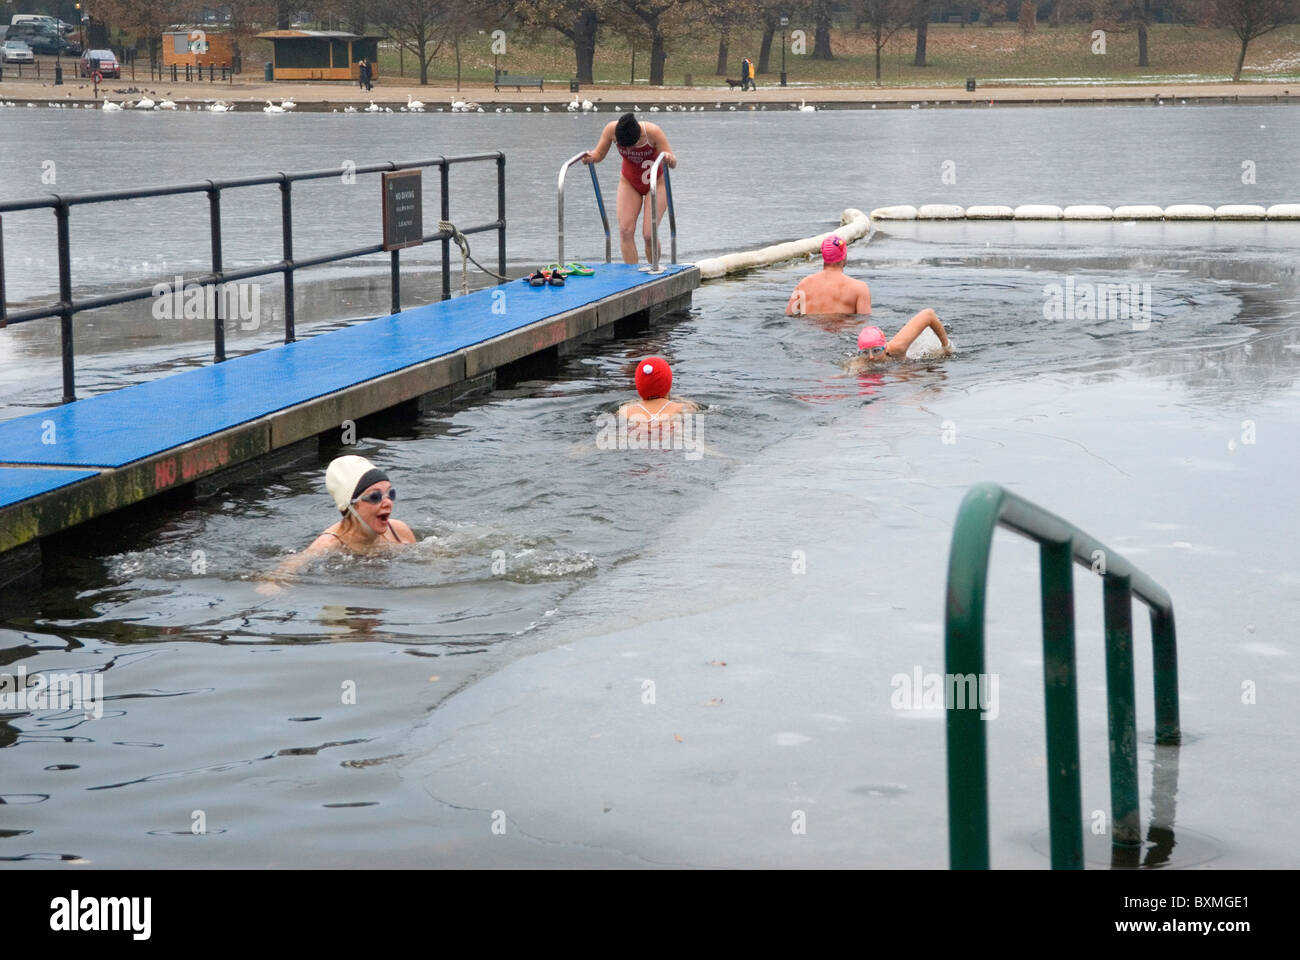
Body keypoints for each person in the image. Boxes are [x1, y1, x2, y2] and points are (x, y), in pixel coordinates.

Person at [256, 455, 414, 594]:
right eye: (375, 496)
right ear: (351, 505)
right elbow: (293, 563)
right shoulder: (329, 544)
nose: (387, 502)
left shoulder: (399, 531)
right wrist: (273, 583)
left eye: (390, 494)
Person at [582, 112, 677, 266]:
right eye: (625, 147)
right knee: (625, 231)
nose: (630, 149)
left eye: (632, 145)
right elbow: (599, 153)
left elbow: (673, 162)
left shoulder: (653, 132)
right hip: (629, 182)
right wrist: (590, 157)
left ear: (639, 136)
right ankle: (631, 275)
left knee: (648, 234)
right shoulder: (611, 130)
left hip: (656, 183)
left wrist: (670, 159)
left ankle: (654, 269)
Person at [785, 235, 872, 316]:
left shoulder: (803, 285)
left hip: (809, 329)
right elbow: (864, 326)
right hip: (842, 330)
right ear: (844, 255)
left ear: (823, 255)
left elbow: (789, 315)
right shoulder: (859, 288)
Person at [616, 356, 698, 440]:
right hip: (669, 433)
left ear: (638, 385)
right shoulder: (682, 407)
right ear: (668, 384)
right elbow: (694, 409)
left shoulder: (625, 410)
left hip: (638, 433)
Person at [846, 312, 953, 374]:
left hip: (911, 356)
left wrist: (945, 346)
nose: (871, 357)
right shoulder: (859, 363)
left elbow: (928, 315)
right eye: (865, 352)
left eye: (876, 351)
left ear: (885, 348)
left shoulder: (898, 347)